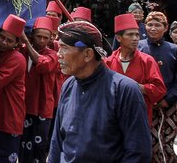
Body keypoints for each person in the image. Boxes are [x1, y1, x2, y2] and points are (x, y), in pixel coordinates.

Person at [48, 21, 151, 162]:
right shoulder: (68, 86)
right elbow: (57, 144)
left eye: (64, 48)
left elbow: (138, 153)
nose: (58, 54)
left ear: (87, 54)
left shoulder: (124, 90)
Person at [139, 11, 177, 162]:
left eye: (157, 25)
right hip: (143, 104)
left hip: (169, 106)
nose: (153, 28)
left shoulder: (175, 50)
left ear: (166, 28)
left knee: (170, 146)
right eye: (150, 25)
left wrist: (168, 99)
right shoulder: (138, 48)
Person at [104, 13, 165, 125]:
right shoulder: (108, 62)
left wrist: (137, 87)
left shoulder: (147, 61)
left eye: (137, 35)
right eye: (130, 35)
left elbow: (159, 89)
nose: (135, 39)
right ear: (118, 38)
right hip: (113, 120)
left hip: (139, 119)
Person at [19, 15, 58, 163]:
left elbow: (42, 65)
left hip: (42, 109)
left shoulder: (53, 55)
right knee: (23, 147)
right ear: (32, 35)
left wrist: (26, 43)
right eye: (38, 37)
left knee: (40, 148)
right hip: (23, 107)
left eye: (45, 38)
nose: (41, 41)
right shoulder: (21, 52)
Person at [0, 14, 26, 162]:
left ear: (17, 43)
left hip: (8, 117)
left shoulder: (17, 58)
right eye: (1, 37)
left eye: (9, 41)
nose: (4, 42)